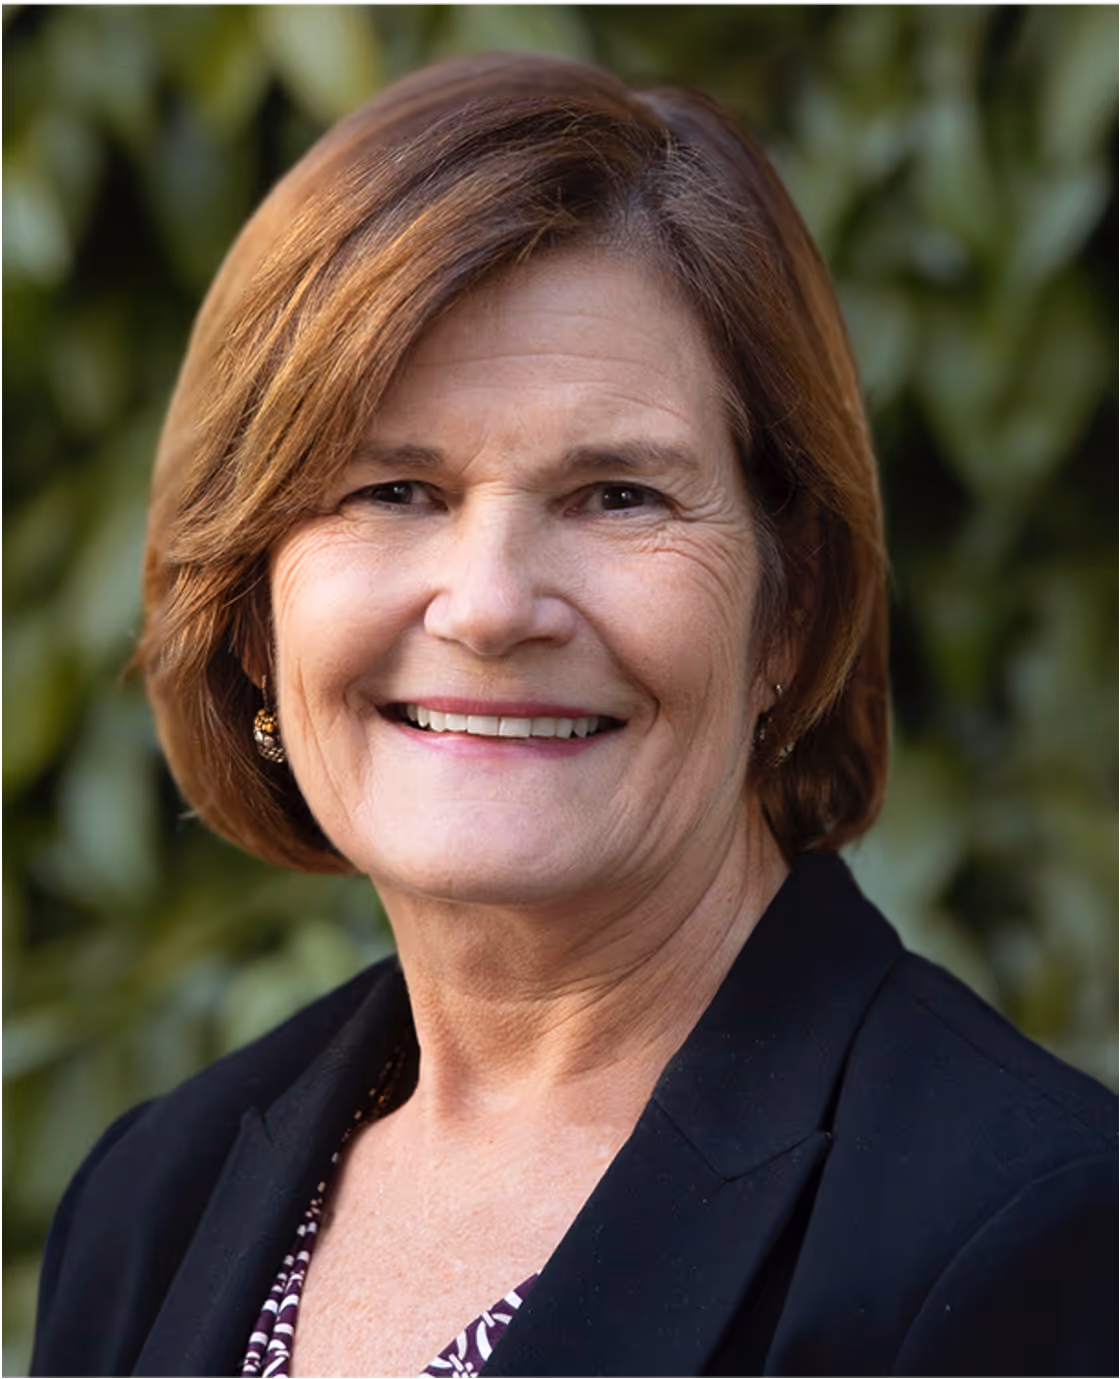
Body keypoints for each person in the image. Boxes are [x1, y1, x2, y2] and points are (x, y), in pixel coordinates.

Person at [30, 51, 1116, 1379]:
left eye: (618, 494)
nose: (489, 607)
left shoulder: (1027, 1238)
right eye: (390, 491)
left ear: (788, 606)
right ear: (254, 610)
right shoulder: (153, 1202)